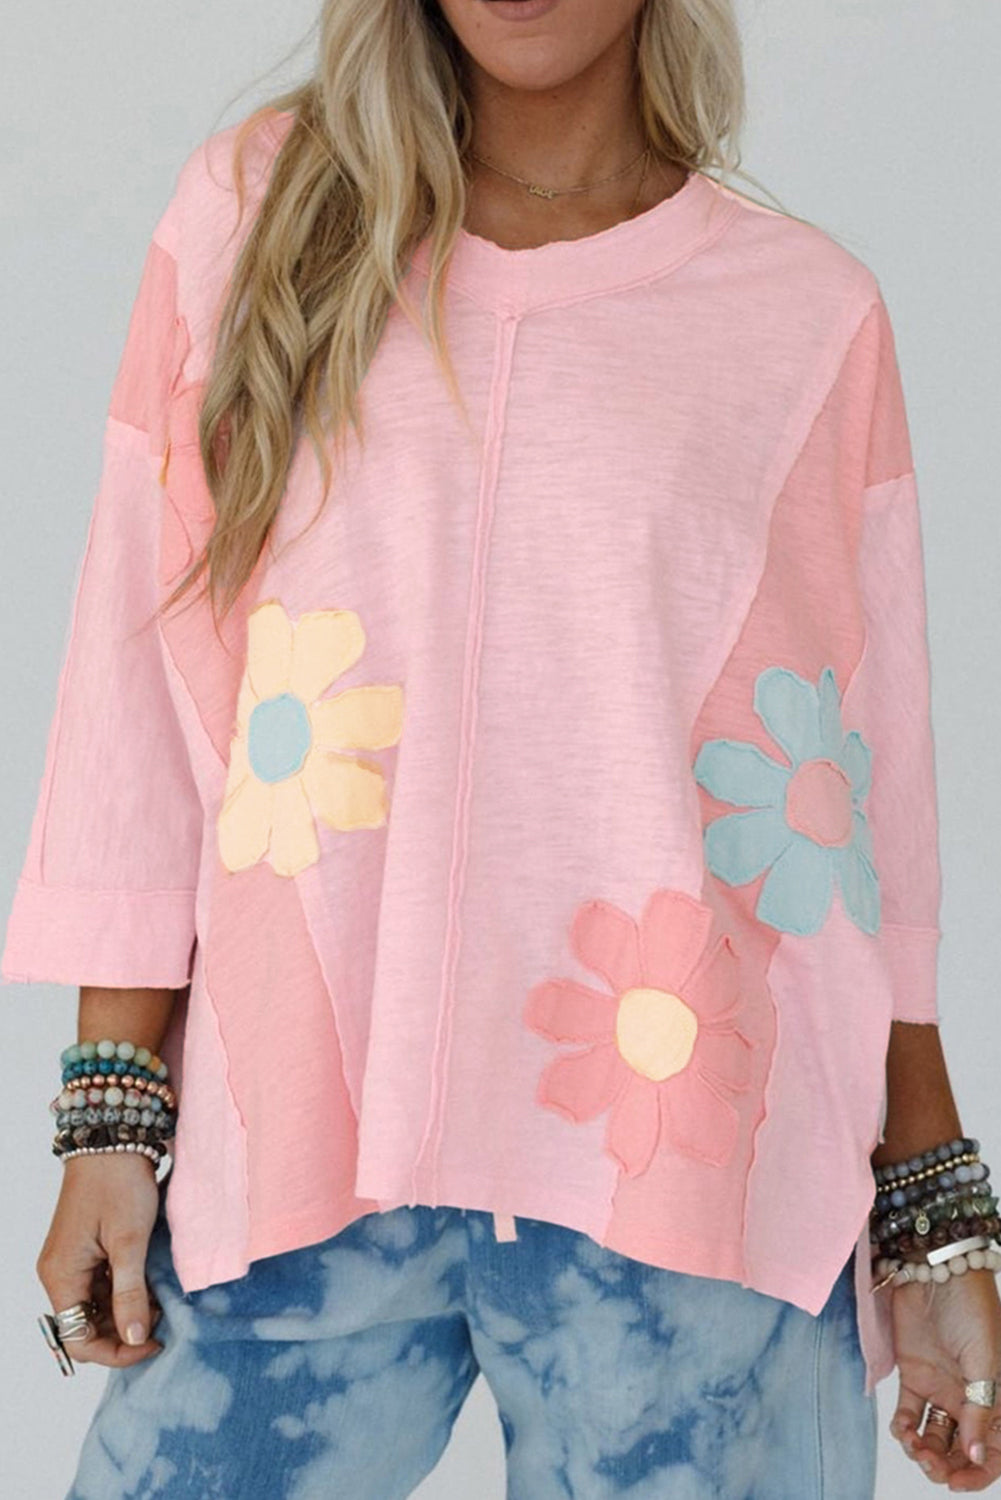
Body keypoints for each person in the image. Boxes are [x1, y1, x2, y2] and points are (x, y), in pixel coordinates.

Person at [5, 0, 1000, 1495]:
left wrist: (929, 1210)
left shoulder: (807, 315)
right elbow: (140, 682)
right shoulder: (255, 218)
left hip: (684, 1174)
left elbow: (855, 819)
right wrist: (109, 1108)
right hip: (303, 1147)